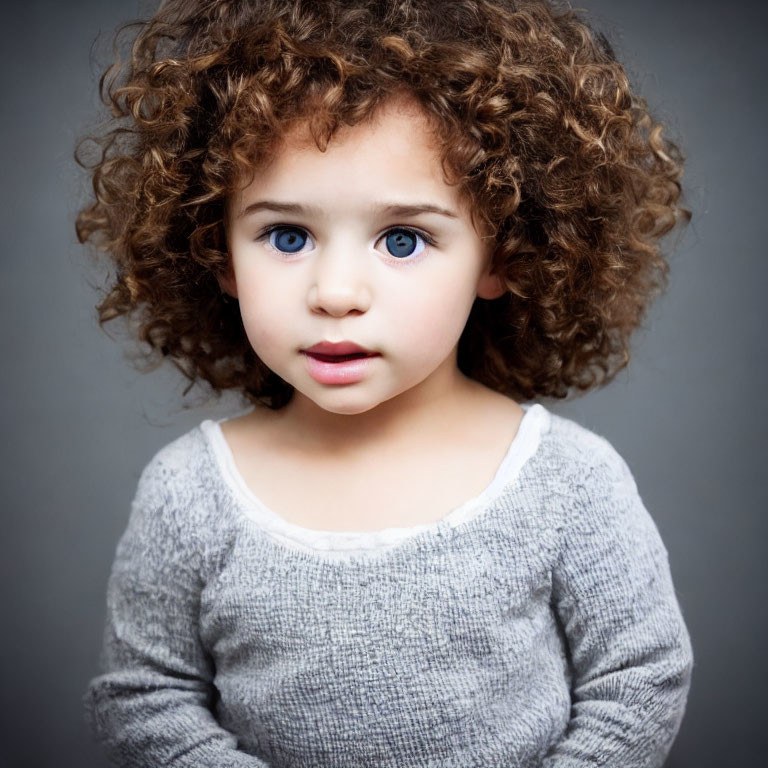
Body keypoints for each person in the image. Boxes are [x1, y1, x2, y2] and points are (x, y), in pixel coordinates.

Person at [77, 0, 694, 765]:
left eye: (402, 239)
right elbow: (144, 696)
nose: (336, 292)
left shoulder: (568, 484)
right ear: (218, 252)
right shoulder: (190, 494)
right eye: (287, 235)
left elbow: (639, 680)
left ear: (502, 257)